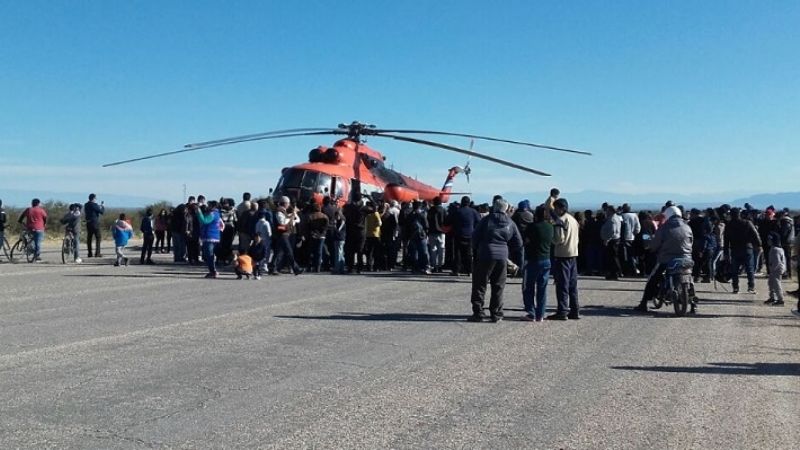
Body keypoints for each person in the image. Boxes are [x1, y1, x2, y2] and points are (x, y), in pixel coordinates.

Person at [468, 197, 523, 323]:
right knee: (498, 286)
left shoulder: (486, 220)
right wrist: (508, 250)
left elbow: (475, 237)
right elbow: (518, 242)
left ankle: (478, 312)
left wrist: (477, 249)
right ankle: (496, 313)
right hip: (502, 256)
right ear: (506, 209)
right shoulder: (510, 222)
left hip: (485, 254)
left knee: (480, 284)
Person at [635, 206, 693, 313]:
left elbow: (655, 244)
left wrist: (651, 248)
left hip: (667, 258)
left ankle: (643, 303)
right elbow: (691, 241)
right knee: (689, 277)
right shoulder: (687, 227)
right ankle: (693, 303)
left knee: (652, 279)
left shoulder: (665, 227)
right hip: (686, 257)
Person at [549, 198, 581, 320]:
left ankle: (562, 311)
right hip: (573, 253)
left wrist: (552, 241)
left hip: (562, 255)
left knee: (562, 284)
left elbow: (559, 239)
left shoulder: (560, 221)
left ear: (560, 208)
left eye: (556, 208)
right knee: (572, 285)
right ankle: (575, 309)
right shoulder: (573, 219)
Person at [521, 206, 554, 322]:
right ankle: (540, 314)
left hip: (533, 259)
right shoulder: (550, 227)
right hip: (546, 259)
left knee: (528, 287)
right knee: (542, 288)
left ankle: (531, 312)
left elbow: (526, 241)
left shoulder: (532, 227)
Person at [724, 207, 761, 294]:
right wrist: (759, 245)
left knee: (735, 270)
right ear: (739, 214)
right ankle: (751, 287)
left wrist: (726, 252)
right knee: (749, 269)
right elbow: (756, 235)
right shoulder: (747, 223)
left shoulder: (729, 225)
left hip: (735, 249)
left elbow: (726, 240)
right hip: (747, 248)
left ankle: (735, 288)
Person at [450, 196, 480, 276]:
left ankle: (457, 270)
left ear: (461, 202)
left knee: (457, 253)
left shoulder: (457, 211)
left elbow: (449, 221)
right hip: (470, 234)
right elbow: (478, 222)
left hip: (458, 234)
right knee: (468, 253)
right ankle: (469, 270)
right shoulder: (473, 212)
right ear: (469, 203)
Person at [196, 200, 222, 278]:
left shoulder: (212, 214)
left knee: (209, 255)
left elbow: (204, 221)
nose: (207, 206)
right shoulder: (217, 213)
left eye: (209, 205)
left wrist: (199, 211)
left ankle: (213, 271)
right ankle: (212, 270)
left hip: (210, 236)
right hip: (212, 236)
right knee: (208, 255)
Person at [600, 205, 623, 280]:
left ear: (611, 211)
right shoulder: (615, 217)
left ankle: (615, 273)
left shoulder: (612, 219)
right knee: (613, 257)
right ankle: (614, 272)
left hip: (612, 240)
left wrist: (607, 239)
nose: (606, 212)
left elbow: (612, 231)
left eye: (607, 210)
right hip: (614, 239)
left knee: (612, 257)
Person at [764, 232, 786, 306]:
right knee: (771, 283)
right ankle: (772, 297)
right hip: (773, 269)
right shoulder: (773, 248)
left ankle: (780, 299)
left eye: (769, 240)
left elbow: (777, 262)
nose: (768, 241)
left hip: (776, 269)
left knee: (776, 284)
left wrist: (772, 270)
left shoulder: (776, 250)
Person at [426, 196, 446, 273]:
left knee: (433, 249)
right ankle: (440, 266)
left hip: (432, 232)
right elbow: (445, 220)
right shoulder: (443, 210)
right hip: (441, 232)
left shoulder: (430, 210)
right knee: (441, 249)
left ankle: (434, 265)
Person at [84, 193, 105, 258]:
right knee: (98, 238)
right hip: (95, 223)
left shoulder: (86, 205)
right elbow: (101, 212)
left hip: (88, 222)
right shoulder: (94, 205)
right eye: (95, 198)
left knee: (89, 238)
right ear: (93, 198)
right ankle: (97, 253)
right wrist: (102, 206)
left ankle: (90, 253)